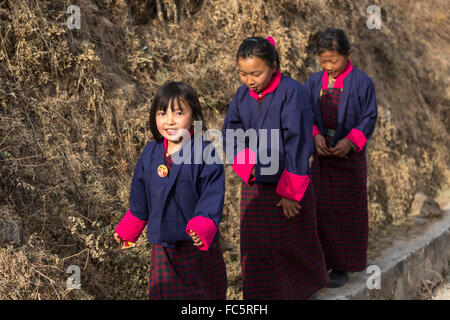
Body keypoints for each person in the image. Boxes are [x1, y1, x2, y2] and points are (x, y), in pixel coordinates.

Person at [222, 36, 329, 299]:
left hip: (288, 186)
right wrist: (247, 167)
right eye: (243, 73)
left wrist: (291, 193)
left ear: (274, 66)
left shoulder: (292, 92)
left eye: (256, 73)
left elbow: (299, 142)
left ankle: (299, 292)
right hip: (254, 185)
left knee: (292, 244)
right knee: (257, 246)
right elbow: (231, 132)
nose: (249, 80)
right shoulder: (241, 96)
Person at [114, 81, 228, 299]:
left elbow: (212, 195)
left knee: (203, 297)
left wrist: (202, 224)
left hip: (197, 246)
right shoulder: (150, 152)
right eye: (161, 113)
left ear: (194, 117)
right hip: (164, 247)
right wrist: (129, 228)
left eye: (178, 113)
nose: (169, 121)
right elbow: (140, 195)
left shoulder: (205, 152)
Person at [305, 28, 378, 288]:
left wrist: (350, 142)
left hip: (350, 160)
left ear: (348, 54)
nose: (328, 66)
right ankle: (321, 262)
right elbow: (308, 115)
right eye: (323, 61)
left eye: (333, 61)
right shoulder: (314, 82)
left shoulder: (361, 82)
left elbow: (369, 118)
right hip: (323, 158)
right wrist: (315, 137)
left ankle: (342, 266)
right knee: (320, 210)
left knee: (347, 212)